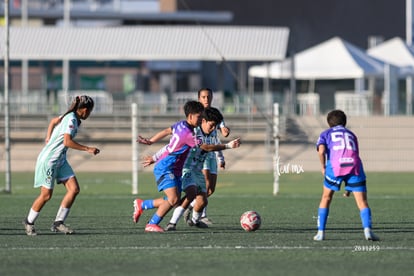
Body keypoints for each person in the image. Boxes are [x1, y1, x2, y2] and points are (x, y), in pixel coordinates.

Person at [133, 102, 240, 233]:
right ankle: (152, 224)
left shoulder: (181, 125)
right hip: (167, 166)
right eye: (199, 117)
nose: (201, 120)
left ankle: (142, 205)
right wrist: (227, 146)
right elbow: (205, 147)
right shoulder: (190, 134)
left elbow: (167, 132)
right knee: (175, 199)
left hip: (175, 168)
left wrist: (151, 142)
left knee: (176, 201)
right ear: (190, 116)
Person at [23, 95, 100, 236]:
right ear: (83, 110)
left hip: (60, 160)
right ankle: (29, 222)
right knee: (46, 195)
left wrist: (48, 137)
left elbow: (53, 121)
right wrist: (88, 149)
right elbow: (67, 142)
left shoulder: (70, 116)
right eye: (89, 111)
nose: (89, 114)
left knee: (74, 189)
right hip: (49, 161)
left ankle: (58, 223)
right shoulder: (71, 119)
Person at [165, 107, 241, 231]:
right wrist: (228, 146)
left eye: (214, 126)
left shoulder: (211, 133)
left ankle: (194, 220)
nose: (212, 128)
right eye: (211, 125)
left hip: (197, 170)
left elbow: (214, 144)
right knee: (191, 193)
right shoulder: (195, 132)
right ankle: (172, 223)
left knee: (202, 201)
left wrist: (221, 158)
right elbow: (206, 147)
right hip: (185, 168)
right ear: (203, 121)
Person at [313, 109, 379, 241]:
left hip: (335, 166)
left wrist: (323, 166)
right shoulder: (352, 134)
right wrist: (349, 189)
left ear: (329, 123)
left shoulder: (325, 133)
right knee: (362, 202)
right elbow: (352, 154)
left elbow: (321, 151)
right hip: (354, 167)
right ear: (345, 122)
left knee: (326, 198)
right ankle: (367, 230)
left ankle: (321, 233)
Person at [185, 88, 230, 225]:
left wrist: (220, 158)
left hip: (212, 154)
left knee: (211, 189)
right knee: (204, 185)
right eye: (203, 97)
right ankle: (201, 216)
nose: (206, 99)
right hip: (200, 154)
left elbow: (219, 135)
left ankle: (191, 205)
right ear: (199, 98)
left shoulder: (215, 114)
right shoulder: (197, 114)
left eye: (208, 97)